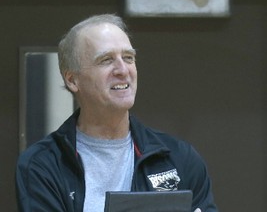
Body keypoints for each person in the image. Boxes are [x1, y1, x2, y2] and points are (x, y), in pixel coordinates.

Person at [15, 14, 218, 212]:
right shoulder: (42, 166)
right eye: (106, 60)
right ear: (72, 80)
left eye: (128, 58)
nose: (123, 70)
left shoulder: (179, 158)